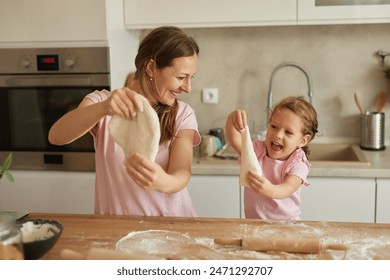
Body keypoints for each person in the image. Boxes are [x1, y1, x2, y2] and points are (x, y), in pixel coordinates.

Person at [48, 26, 201, 216]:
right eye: (181, 77)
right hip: (116, 230)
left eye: (191, 78)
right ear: (151, 67)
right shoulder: (103, 102)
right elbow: (56, 136)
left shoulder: (183, 114)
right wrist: (105, 108)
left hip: (171, 226)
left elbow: (182, 171)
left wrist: (163, 182)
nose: (188, 88)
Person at [225, 96, 318, 220]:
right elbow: (235, 140)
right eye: (274, 126)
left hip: (287, 227)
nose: (278, 135)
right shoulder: (258, 150)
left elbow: (289, 187)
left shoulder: (298, 163)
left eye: (288, 132)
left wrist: (270, 190)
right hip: (253, 224)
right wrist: (232, 119)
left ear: (303, 140)